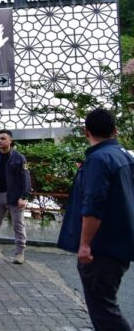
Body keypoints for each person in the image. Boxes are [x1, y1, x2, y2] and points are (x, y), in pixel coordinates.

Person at [58, 109, 134, 330]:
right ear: (115, 130)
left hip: (101, 247)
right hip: (119, 241)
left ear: (86, 131)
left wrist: (84, 245)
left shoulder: (98, 159)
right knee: (105, 305)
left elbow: (93, 206)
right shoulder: (123, 155)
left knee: (103, 310)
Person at [0, 129, 31, 264]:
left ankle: (20, 253)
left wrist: (24, 196)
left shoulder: (19, 157)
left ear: (10, 141)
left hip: (14, 196)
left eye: (3, 138)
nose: (0, 141)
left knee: (18, 226)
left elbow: (25, 178)